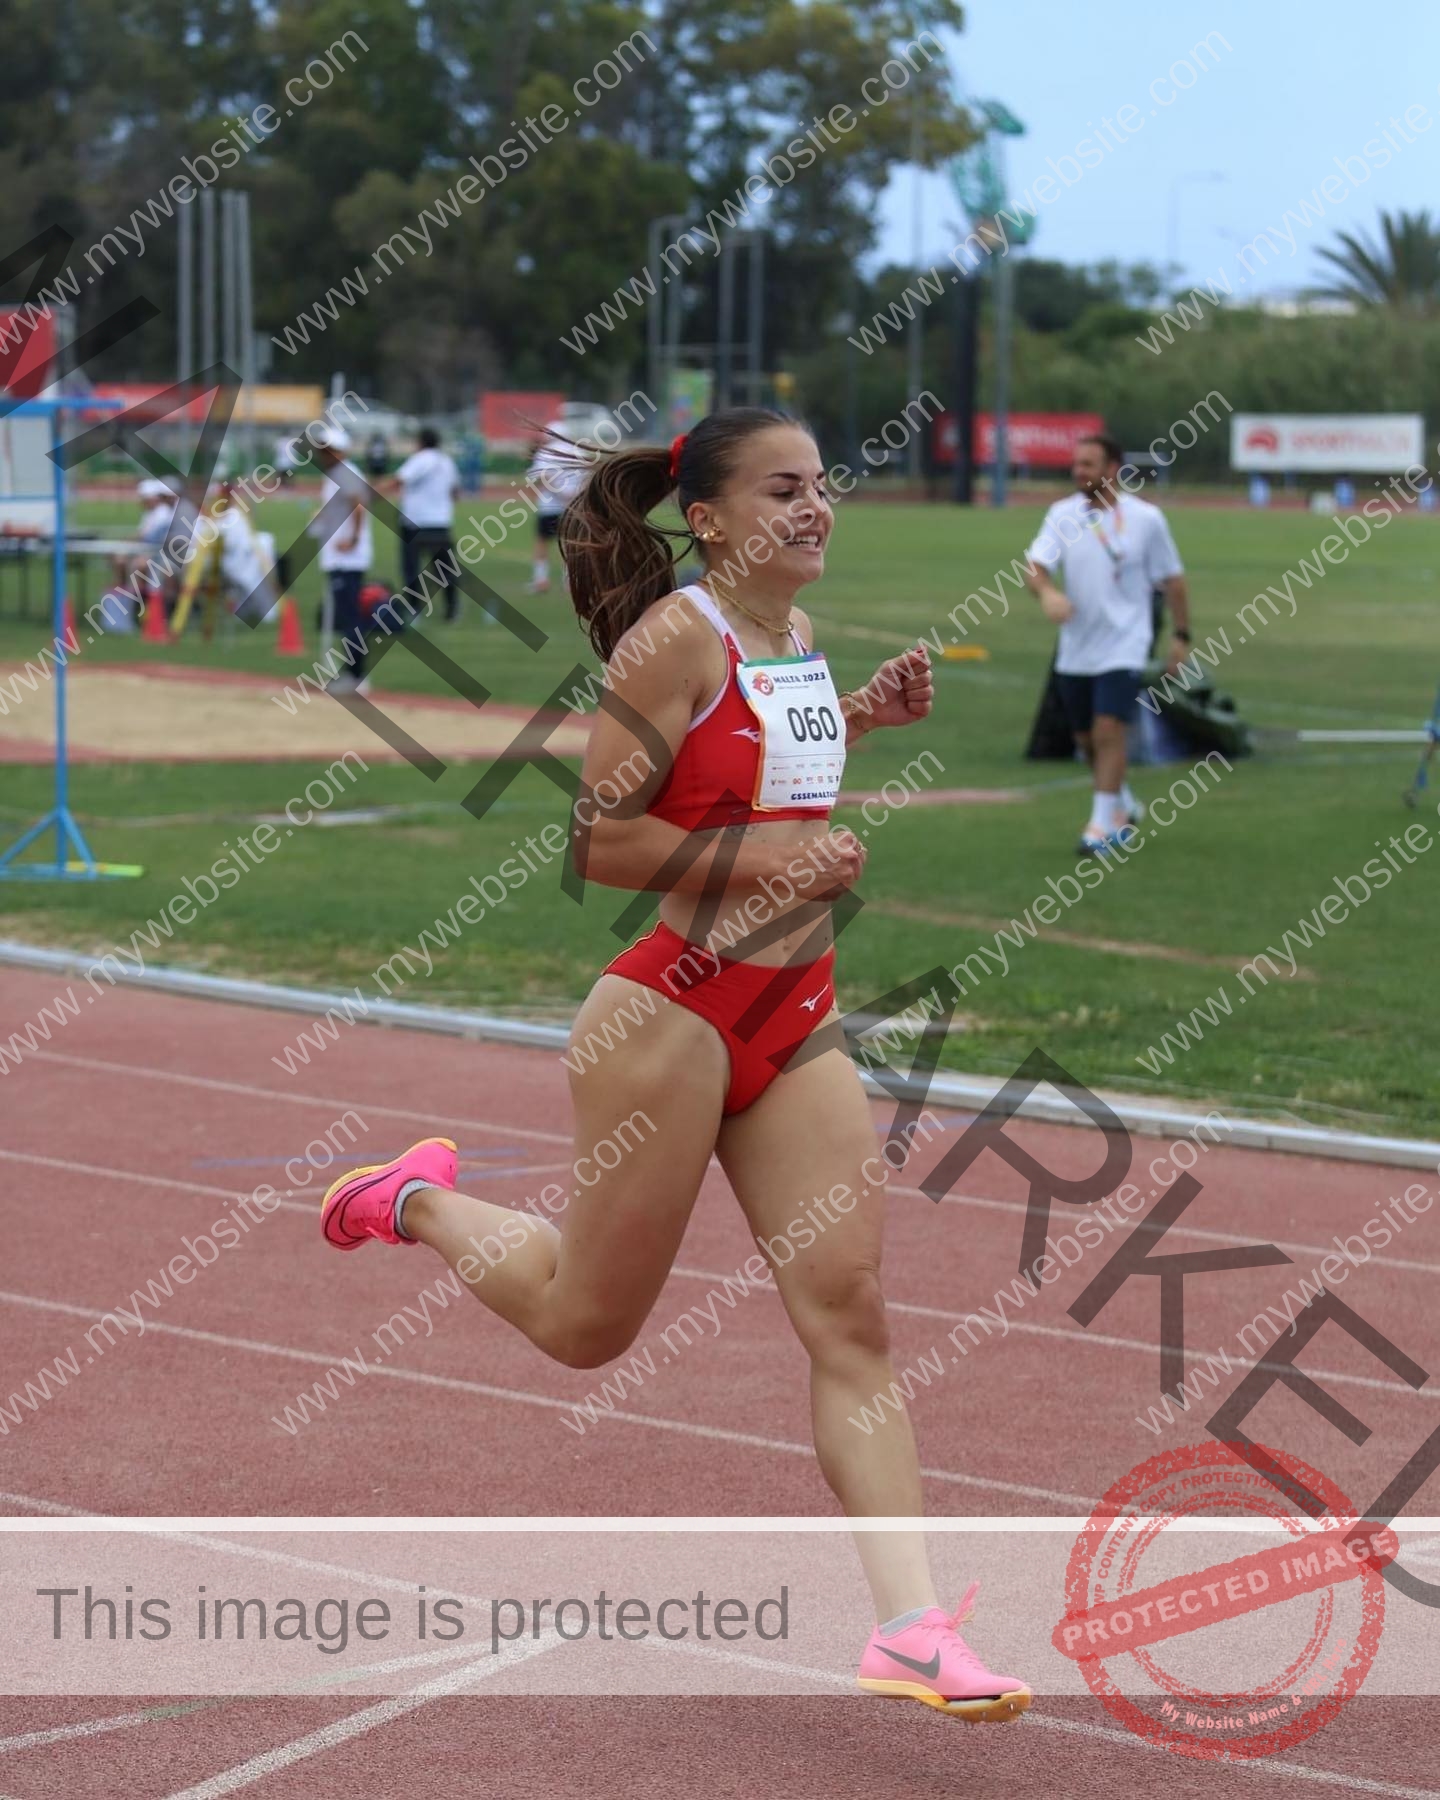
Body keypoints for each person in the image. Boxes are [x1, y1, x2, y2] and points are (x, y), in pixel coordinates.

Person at [320, 407, 1032, 1724]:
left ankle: (913, 1631)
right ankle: (411, 1198)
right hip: (673, 1019)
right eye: (783, 491)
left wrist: (858, 717)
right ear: (707, 519)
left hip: (796, 1011)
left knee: (852, 1316)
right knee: (587, 1330)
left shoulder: (794, 637)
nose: (814, 508)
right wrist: (776, 863)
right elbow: (603, 846)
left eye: (821, 487)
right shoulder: (670, 642)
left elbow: (755, 781)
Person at [1022, 432, 1191, 853]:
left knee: (1108, 729)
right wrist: (1048, 594)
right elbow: (1035, 566)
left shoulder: (1146, 519)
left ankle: (1100, 827)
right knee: (1085, 740)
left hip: (1126, 643)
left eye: (1088, 465)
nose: (1079, 472)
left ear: (1112, 469)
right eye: (1076, 464)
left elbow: (1172, 579)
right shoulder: (1062, 514)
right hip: (1077, 647)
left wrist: (1182, 637)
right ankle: (1124, 802)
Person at [307, 424, 373, 694]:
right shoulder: (335, 475)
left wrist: (353, 538)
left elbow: (358, 504)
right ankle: (351, 674)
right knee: (344, 617)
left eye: (327, 449)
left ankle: (357, 676)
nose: (322, 454)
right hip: (338, 556)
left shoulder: (345, 474)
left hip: (348, 558)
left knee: (350, 618)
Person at [390, 426, 461, 622]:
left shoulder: (420, 459)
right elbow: (455, 492)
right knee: (445, 570)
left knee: (411, 568)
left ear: (420, 442)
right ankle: (452, 609)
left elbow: (399, 479)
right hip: (441, 523)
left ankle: (414, 609)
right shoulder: (447, 461)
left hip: (415, 523)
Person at [525, 431, 588, 592]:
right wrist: (572, 496)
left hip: (549, 506)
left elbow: (543, 478)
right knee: (570, 544)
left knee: (542, 543)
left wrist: (560, 494)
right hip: (573, 507)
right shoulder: (578, 451)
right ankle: (570, 582)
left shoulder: (546, 452)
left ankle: (541, 580)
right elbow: (586, 478)